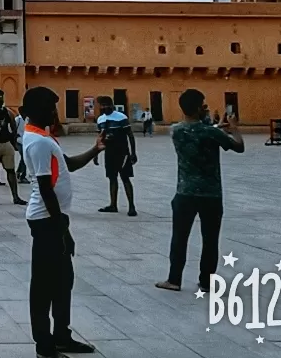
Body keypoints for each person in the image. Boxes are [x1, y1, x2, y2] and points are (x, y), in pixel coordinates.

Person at [22, 87, 104, 358]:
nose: (54, 112)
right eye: (50, 107)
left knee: (63, 282)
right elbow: (46, 189)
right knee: (44, 287)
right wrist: (62, 231)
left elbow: (66, 165)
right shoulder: (39, 142)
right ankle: (45, 347)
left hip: (52, 220)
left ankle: (61, 336)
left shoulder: (43, 137)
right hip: (47, 221)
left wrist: (95, 149)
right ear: (38, 110)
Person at [156, 90, 245, 293]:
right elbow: (238, 147)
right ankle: (206, 281)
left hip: (184, 193)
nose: (205, 107)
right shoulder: (211, 133)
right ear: (197, 107)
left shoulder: (175, 130)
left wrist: (215, 127)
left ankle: (174, 279)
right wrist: (234, 129)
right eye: (203, 105)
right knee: (210, 240)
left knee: (179, 237)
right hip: (211, 194)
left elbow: (195, 131)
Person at [95, 96, 137, 216]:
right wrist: (96, 154)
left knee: (125, 178)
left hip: (122, 153)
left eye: (107, 105)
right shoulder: (100, 120)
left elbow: (130, 135)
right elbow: (100, 137)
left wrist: (133, 153)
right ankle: (113, 205)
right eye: (102, 105)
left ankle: (132, 206)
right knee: (112, 179)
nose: (104, 107)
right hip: (109, 153)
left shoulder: (121, 117)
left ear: (112, 105)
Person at [15, 111, 30, 184]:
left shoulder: (28, 119)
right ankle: (21, 175)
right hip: (18, 141)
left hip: (26, 140)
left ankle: (20, 173)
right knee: (24, 156)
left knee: (25, 157)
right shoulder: (18, 119)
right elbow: (13, 129)